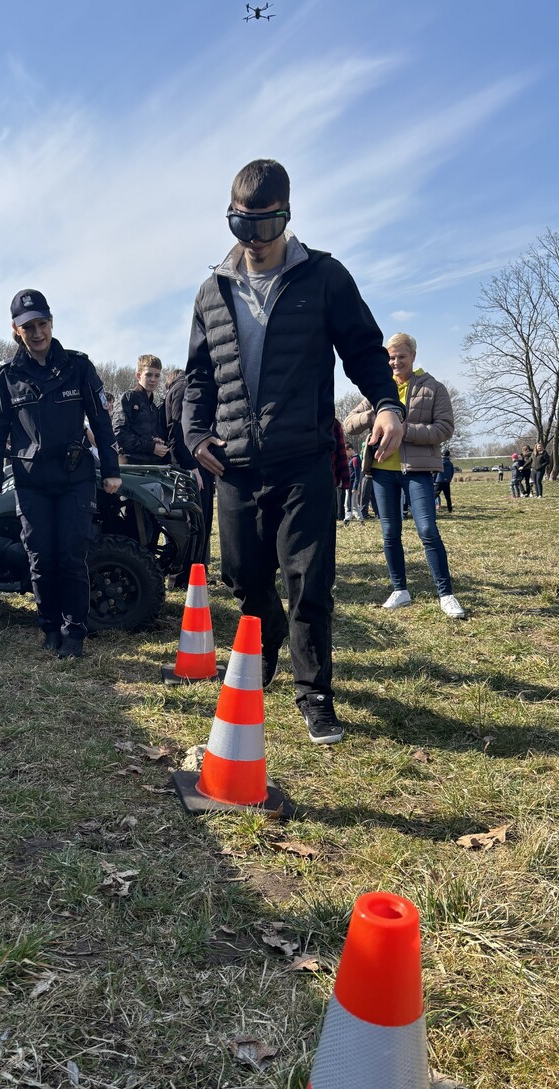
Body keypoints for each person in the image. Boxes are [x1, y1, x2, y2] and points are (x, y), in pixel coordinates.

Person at [181, 159, 403, 744]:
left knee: (308, 580)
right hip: (234, 462)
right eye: (241, 226)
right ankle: (267, 632)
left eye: (265, 226)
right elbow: (199, 376)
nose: (253, 239)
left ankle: (314, 693)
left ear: (286, 216)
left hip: (304, 456)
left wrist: (388, 405)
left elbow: (364, 350)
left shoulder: (324, 278)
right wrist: (195, 434)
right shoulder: (212, 290)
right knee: (242, 576)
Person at [0, 288, 121, 659]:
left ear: (51, 323)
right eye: (28, 327)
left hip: (74, 478)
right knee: (40, 558)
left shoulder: (78, 366)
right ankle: (50, 628)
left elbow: (101, 421)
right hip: (31, 481)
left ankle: (74, 632)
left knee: (72, 556)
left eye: (42, 323)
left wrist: (111, 469)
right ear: (17, 330)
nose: (37, 332)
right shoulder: (6, 376)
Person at [344, 332, 465, 619]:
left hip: (417, 471)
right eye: (391, 357)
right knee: (390, 532)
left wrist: (403, 429)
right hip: (382, 471)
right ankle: (400, 589)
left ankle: (446, 594)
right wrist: (374, 417)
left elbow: (445, 428)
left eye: (401, 356)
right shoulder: (378, 391)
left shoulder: (433, 388)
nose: (395, 362)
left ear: (413, 356)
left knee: (427, 530)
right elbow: (348, 424)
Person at [164, 368, 215, 586]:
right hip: (191, 466)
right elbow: (178, 430)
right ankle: (185, 575)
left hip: (191, 464)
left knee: (195, 521)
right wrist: (192, 467)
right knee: (195, 522)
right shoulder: (183, 389)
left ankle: (190, 573)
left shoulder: (177, 389)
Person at [112, 355, 170, 464]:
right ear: (139, 376)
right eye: (148, 375)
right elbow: (119, 434)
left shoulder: (154, 407)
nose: (153, 379)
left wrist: (155, 441)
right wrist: (151, 447)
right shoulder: (128, 398)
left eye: (157, 376)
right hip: (131, 466)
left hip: (151, 465)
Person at [433, 447, 455, 514]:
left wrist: (434, 480)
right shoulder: (450, 464)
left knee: (434, 495)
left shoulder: (439, 462)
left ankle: (429, 507)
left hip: (438, 481)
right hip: (446, 482)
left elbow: (435, 472)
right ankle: (450, 509)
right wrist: (449, 479)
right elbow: (452, 472)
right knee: (448, 497)